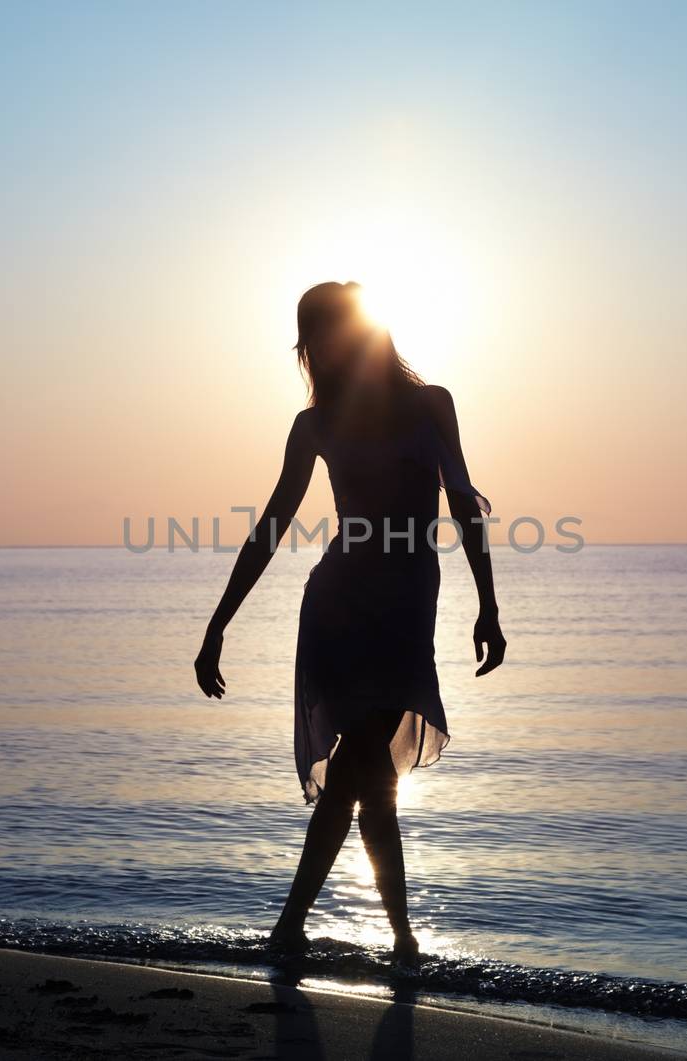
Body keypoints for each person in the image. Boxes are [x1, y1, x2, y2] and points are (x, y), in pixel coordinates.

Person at [195, 281, 505, 964]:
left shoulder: (432, 406)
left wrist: (489, 603)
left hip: (405, 611)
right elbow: (272, 524)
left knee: (364, 779)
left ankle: (315, 933)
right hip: (341, 608)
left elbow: (462, 504)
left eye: (333, 329)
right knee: (366, 770)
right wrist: (219, 622)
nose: (324, 346)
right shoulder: (316, 424)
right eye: (314, 334)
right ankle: (392, 940)